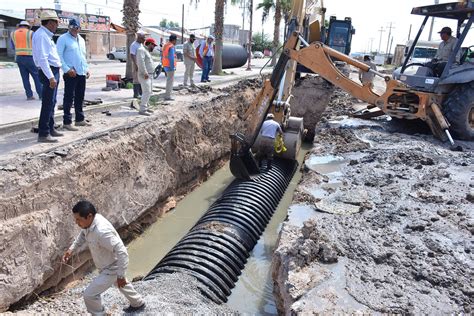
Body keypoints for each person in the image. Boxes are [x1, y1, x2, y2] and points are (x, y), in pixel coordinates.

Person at [62, 200, 146, 315]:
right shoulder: (89, 224)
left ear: (89, 216)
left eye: (78, 219)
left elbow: (122, 252)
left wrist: (120, 274)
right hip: (107, 264)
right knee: (121, 284)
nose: (77, 223)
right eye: (76, 219)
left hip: (112, 268)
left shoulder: (102, 232)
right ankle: (138, 303)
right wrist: (71, 249)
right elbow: (83, 233)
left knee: (89, 295)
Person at [32, 10, 64, 143]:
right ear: (50, 23)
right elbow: (43, 59)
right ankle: (44, 133)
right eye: (56, 23)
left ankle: (50, 128)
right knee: (47, 103)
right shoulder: (41, 36)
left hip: (53, 70)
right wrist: (51, 77)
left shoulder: (46, 35)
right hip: (48, 71)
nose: (57, 26)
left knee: (52, 102)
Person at [57, 18, 90, 131]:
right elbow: (59, 56)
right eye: (72, 28)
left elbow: (83, 56)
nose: (75, 30)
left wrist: (86, 69)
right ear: (69, 28)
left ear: (79, 28)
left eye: (77, 28)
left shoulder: (81, 39)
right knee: (69, 97)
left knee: (80, 96)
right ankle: (67, 121)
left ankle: (79, 119)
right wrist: (67, 69)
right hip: (70, 73)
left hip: (81, 72)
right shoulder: (63, 39)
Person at [11, 20, 42, 101]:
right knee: (36, 77)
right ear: (28, 26)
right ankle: (41, 95)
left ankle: (29, 95)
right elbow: (37, 45)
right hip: (30, 58)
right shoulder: (31, 33)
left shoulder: (13, 33)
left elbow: (12, 47)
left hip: (19, 58)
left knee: (25, 78)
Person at [136, 38, 158, 116]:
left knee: (149, 92)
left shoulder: (146, 51)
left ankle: (146, 107)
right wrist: (145, 73)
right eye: (153, 45)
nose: (154, 47)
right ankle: (142, 109)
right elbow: (140, 62)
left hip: (149, 75)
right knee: (147, 91)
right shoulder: (141, 50)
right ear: (150, 44)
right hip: (145, 75)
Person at [130, 30, 147, 99]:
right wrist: (136, 64)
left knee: (141, 79)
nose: (144, 40)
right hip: (136, 64)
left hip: (141, 64)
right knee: (136, 79)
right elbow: (132, 55)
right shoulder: (134, 45)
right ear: (139, 38)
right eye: (143, 38)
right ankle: (136, 94)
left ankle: (141, 93)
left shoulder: (140, 44)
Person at [162, 34, 177, 101]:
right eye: (176, 40)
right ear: (174, 40)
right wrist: (172, 67)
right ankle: (168, 96)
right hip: (170, 66)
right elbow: (171, 58)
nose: (176, 42)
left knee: (168, 81)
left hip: (165, 65)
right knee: (170, 82)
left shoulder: (166, 45)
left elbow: (163, 56)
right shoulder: (171, 46)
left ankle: (168, 95)